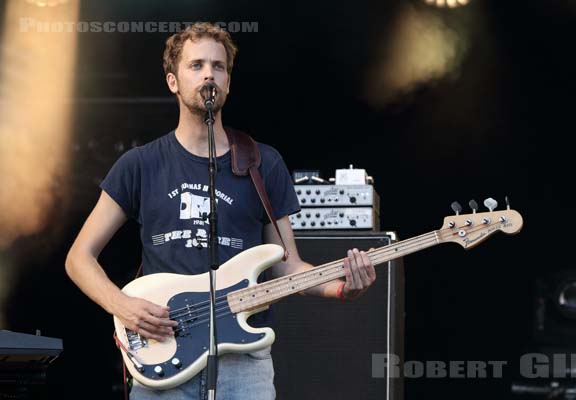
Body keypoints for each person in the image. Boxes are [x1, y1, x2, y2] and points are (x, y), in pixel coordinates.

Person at [65, 22, 376, 400]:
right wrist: (123, 307)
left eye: (219, 66)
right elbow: (79, 258)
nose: (209, 73)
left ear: (228, 82)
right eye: (196, 65)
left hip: (244, 363)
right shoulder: (140, 165)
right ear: (173, 82)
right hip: (165, 351)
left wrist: (342, 288)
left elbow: (287, 266)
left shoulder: (263, 164)